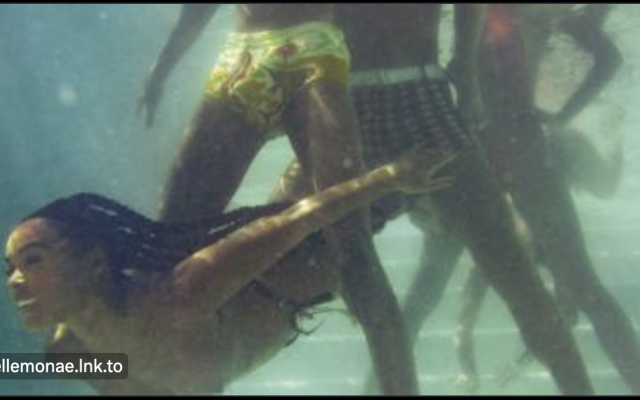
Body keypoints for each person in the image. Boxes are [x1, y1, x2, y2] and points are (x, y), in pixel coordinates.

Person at [272, 4, 593, 395]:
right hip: (346, 96)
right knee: (347, 273)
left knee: (515, 275)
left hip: (412, 92)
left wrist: (466, 72)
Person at [5, 150, 452, 395]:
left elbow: (300, 220)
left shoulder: (181, 295)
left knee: (378, 205)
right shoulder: (71, 352)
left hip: (301, 269)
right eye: (9, 268)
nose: (13, 281)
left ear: (94, 263)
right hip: (272, 301)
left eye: (33, 261)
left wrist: (390, 177)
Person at [138, 4, 417, 394]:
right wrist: (162, 68)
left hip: (309, 50)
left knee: (352, 249)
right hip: (248, 54)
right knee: (167, 247)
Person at [394, 4, 637, 394]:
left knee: (425, 295)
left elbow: (608, 58)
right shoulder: (527, 14)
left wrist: (558, 116)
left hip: (477, 150)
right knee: (582, 290)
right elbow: (607, 57)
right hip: (497, 150)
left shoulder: (525, 13)